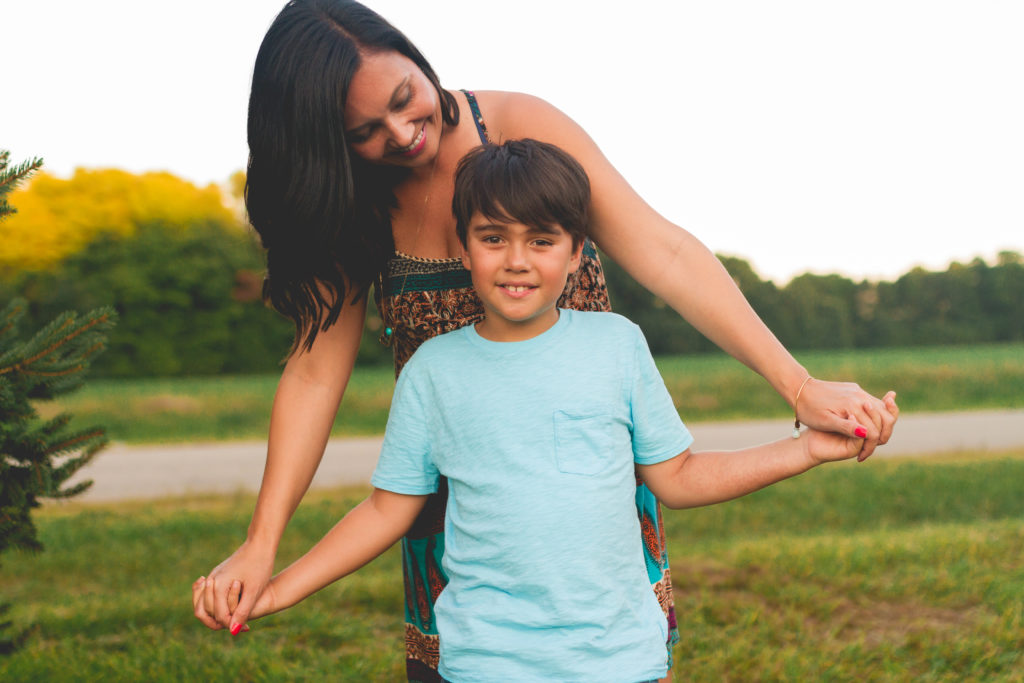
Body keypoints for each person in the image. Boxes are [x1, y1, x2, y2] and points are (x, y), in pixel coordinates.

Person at [193, 1, 898, 680]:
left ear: (411, 53)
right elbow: (315, 373)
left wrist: (800, 388)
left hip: (585, 507)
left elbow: (666, 253)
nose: (404, 133)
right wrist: (263, 546)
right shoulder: (351, 199)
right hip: (457, 521)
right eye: (365, 132)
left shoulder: (519, 129)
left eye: (406, 96)